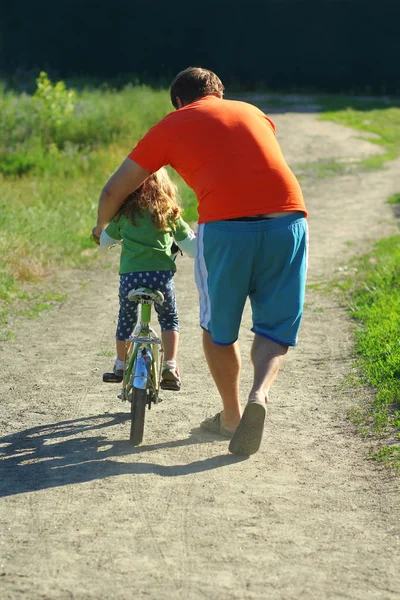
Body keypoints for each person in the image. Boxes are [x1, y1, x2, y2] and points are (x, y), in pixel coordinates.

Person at [92, 67, 308, 456]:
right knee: (274, 323)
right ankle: (260, 394)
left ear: (178, 101)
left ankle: (231, 416)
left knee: (218, 328)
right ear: (220, 93)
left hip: (226, 228)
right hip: (288, 219)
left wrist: (100, 226)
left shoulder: (173, 123)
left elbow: (114, 189)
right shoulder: (254, 112)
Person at [96, 167, 196, 391]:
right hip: (160, 278)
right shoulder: (169, 211)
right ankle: (170, 365)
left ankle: (121, 365)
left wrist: (99, 232)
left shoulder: (124, 214)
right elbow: (191, 247)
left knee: (126, 317)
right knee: (169, 318)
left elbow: (104, 241)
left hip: (131, 278)